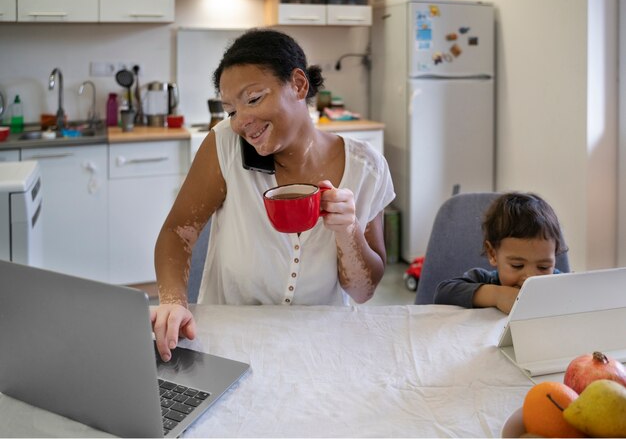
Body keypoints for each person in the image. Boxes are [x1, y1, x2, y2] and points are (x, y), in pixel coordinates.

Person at [151, 29, 395, 361]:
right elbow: (177, 232)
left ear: (298, 85)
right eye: (231, 110)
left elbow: (363, 292)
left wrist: (348, 231)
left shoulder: (367, 169)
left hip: (321, 345)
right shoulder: (225, 146)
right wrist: (173, 302)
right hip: (231, 343)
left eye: (253, 99)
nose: (240, 123)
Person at [434, 192, 567, 314]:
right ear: (492, 254)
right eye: (517, 265)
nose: (531, 277)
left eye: (543, 267)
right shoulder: (486, 280)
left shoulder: (558, 283)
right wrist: (496, 295)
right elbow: (442, 293)